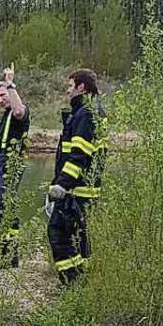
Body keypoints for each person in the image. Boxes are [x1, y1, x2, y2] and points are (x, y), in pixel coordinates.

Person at [47, 68, 104, 284]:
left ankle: (72, 283)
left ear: (81, 87)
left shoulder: (85, 114)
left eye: (70, 86)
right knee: (81, 238)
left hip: (76, 190)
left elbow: (78, 155)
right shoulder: (89, 111)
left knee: (58, 233)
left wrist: (62, 186)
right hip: (83, 189)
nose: (67, 90)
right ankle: (82, 281)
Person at [0, 78, 30, 266]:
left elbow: (19, 111)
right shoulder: (6, 115)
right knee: (8, 210)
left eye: (3, 95)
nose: (0, 100)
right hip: (0, 163)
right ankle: (10, 260)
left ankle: (0, 257)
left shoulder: (19, 110)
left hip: (10, 163)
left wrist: (11, 84)